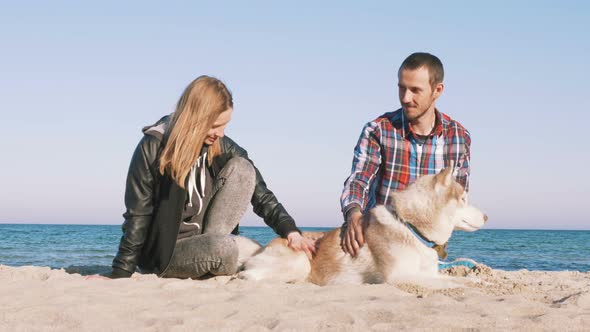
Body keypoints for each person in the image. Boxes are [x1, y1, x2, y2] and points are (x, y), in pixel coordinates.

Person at [110, 75, 316, 279]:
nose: (220, 133)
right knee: (224, 249)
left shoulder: (220, 145)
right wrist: (121, 272)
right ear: (195, 118)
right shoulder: (153, 146)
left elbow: (261, 194)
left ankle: (218, 258)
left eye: (225, 126)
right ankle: (217, 259)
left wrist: (291, 232)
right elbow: (138, 214)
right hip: (167, 254)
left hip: (208, 240)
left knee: (244, 169)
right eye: (215, 126)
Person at [340, 52, 471, 256]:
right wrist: (353, 214)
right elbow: (359, 180)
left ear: (437, 90)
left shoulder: (458, 138)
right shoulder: (378, 130)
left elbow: (457, 197)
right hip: (381, 242)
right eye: (401, 88)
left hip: (427, 248)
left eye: (415, 90)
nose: (405, 98)